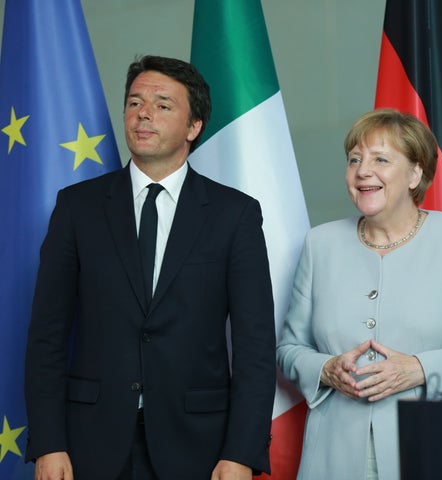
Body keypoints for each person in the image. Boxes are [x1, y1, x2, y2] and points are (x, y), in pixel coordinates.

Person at [24, 55, 276, 480]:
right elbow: (46, 335)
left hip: (201, 445)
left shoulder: (235, 215)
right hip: (91, 444)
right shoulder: (77, 207)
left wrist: (242, 453)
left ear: (193, 127)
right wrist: (49, 442)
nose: (143, 114)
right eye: (135, 102)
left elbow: (255, 348)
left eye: (162, 105)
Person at [276, 108, 442, 480]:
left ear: (416, 173)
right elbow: (289, 349)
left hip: (435, 450)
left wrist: (418, 369)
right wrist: (325, 369)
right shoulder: (320, 243)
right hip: (333, 456)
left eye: (380, 159)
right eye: (355, 160)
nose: (363, 171)